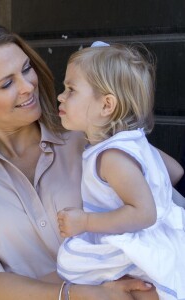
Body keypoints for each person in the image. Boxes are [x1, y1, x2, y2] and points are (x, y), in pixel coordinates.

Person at [0, 22, 177, 300]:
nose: (28, 86)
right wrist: (80, 295)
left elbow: (166, 184)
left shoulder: (86, 139)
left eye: (26, 69)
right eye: (6, 83)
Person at [56, 41, 185, 300]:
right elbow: (175, 171)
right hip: (161, 237)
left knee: (75, 264)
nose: (61, 96)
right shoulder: (129, 144)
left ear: (106, 106)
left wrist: (85, 222)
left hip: (141, 241)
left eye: (71, 89)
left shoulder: (112, 157)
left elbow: (145, 213)